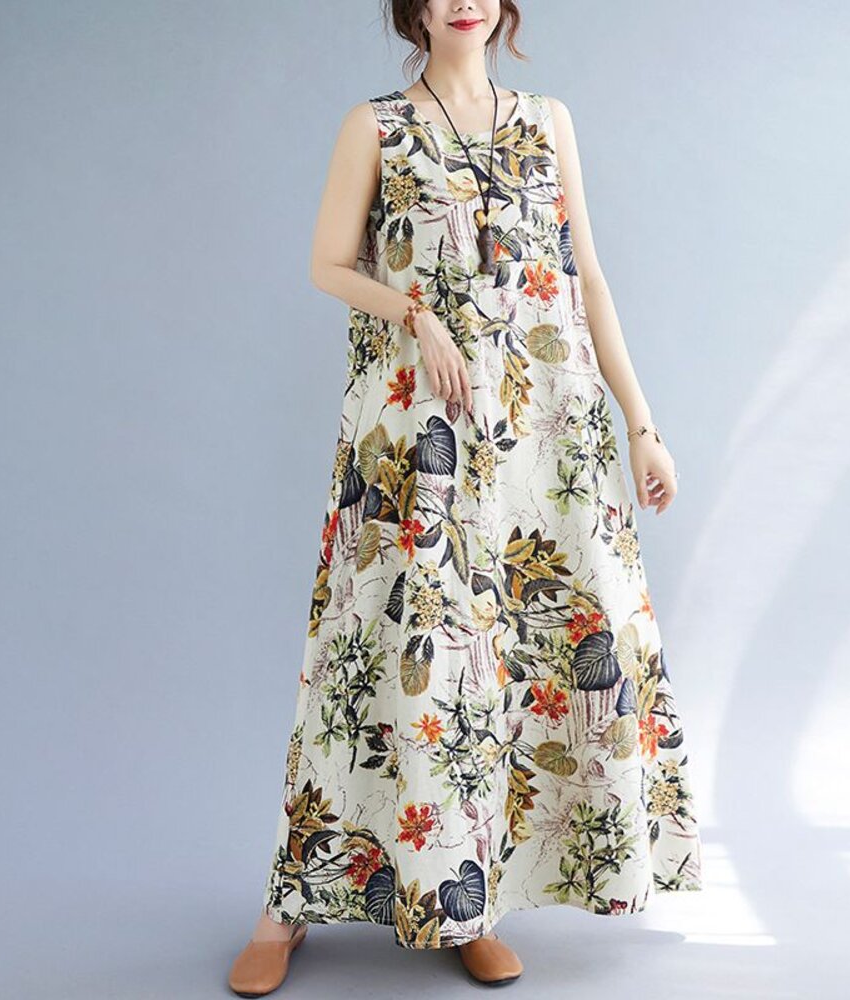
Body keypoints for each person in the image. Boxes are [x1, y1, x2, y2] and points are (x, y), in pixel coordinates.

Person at [228, 1, 703, 994]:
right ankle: (287, 908)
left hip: (545, 434)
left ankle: (468, 899)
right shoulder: (376, 126)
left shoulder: (548, 120)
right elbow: (326, 263)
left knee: (527, 660)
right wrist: (415, 312)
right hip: (423, 438)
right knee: (388, 655)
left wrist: (641, 423)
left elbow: (586, 279)